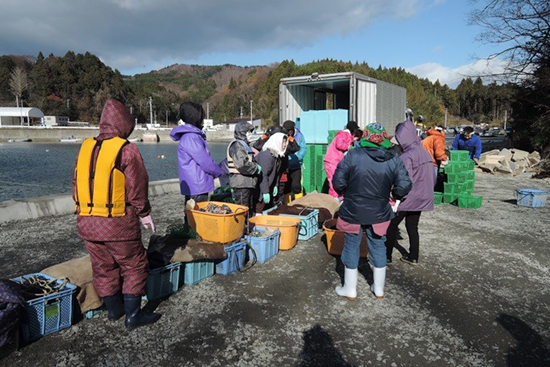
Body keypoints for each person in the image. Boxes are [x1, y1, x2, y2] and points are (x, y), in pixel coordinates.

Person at [73, 99, 160, 330]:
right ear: (124, 124)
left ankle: (114, 310)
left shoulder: (85, 148)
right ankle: (133, 316)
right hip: (118, 224)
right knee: (134, 264)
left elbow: (76, 184)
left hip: (87, 223)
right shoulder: (127, 149)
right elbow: (137, 187)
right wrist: (145, 213)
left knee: (102, 267)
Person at [332, 123, 412, 300]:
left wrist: (344, 192)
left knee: (351, 245)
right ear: (384, 138)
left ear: (366, 136)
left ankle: (350, 289)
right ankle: (379, 289)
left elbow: (338, 180)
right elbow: (405, 184)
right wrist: (395, 195)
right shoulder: (393, 158)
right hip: (380, 210)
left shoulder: (353, 154)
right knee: (378, 245)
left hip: (353, 209)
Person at [386, 119, 435, 266]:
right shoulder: (424, 153)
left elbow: (404, 181)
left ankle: (386, 256)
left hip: (408, 198)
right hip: (421, 197)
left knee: (391, 225)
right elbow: (432, 176)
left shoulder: (407, 156)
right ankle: (413, 256)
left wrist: (395, 196)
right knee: (412, 227)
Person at [170, 102, 225, 205]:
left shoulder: (189, 136)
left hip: (194, 185)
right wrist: (220, 172)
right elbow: (205, 162)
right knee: (197, 216)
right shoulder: (191, 137)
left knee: (191, 214)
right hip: (198, 186)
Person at [226, 121, 261, 209]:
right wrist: (256, 168)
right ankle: (243, 223)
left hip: (247, 183)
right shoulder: (237, 146)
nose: (251, 133)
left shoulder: (244, 145)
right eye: (249, 131)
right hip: (241, 184)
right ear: (243, 132)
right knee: (242, 209)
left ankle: (247, 223)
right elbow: (241, 165)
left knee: (248, 209)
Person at [324, 121, 360, 199]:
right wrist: (349, 147)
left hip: (334, 161)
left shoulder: (345, 135)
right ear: (353, 130)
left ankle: (335, 199)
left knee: (336, 180)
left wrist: (352, 140)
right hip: (332, 161)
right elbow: (339, 144)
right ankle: (333, 201)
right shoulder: (344, 134)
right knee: (333, 182)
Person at [254, 132, 288, 214]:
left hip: (268, 187)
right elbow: (263, 174)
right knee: (258, 209)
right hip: (260, 190)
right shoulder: (267, 155)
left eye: (285, 142)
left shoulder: (276, 155)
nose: (284, 145)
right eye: (283, 142)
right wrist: (265, 192)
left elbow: (276, 173)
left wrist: (275, 185)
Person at [281, 120, 306, 202]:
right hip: (285, 166)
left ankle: (299, 203)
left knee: (296, 186)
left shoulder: (299, 136)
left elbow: (303, 149)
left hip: (296, 165)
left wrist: (296, 157)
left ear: (292, 130)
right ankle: (287, 204)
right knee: (286, 187)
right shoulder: (283, 135)